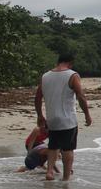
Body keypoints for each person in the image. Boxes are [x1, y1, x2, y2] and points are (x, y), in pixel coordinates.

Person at [35, 52, 92, 182]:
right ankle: (66, 178)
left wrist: (40, 115)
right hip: (67, 120)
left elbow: (38, 97)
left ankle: (49, 171)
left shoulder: (45, 76)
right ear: (70, 63)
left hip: (52, 119)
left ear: (58, 61)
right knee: (68, 149)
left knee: (53, 146)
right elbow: (80, 96)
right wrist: (87, 115)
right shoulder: (72, 75)